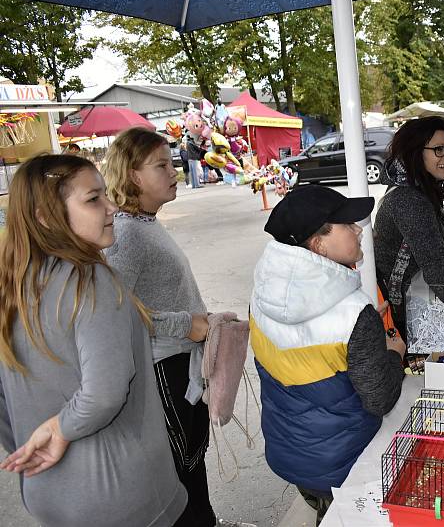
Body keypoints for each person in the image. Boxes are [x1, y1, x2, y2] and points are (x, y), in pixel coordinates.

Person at [0, 154, 189, 526]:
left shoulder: (14, 285)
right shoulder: (90, 280)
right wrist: (59, 428)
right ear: (44, 216)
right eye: (93, 199)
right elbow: (104, 393)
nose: (112, 207)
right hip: (120, 494)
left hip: (47, 490)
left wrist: (29, 447)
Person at [102, 128, 250, 527]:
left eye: (172, 162)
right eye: (161, 165)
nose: (175, 171)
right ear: (133, 176)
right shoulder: (126, 235)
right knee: (181, 469)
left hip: (180, 363)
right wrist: (188, 325)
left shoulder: (143, 223)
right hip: (163, 372)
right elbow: (118, 314)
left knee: (191, 461)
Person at [251, 185, 406, 525]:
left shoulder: (263, 289)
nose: (358, 229)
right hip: (343, 461)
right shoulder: (353, 312)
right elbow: (380, 398)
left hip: (288, 449)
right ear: (317, 242)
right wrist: (393, 353)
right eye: (347, 225)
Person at [373, 116, 444, 340]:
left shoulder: (414, 188)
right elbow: (437, 266)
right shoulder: (408, 199)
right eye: (439, 150)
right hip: (401, 318)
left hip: (412, 307)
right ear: (415, 152)